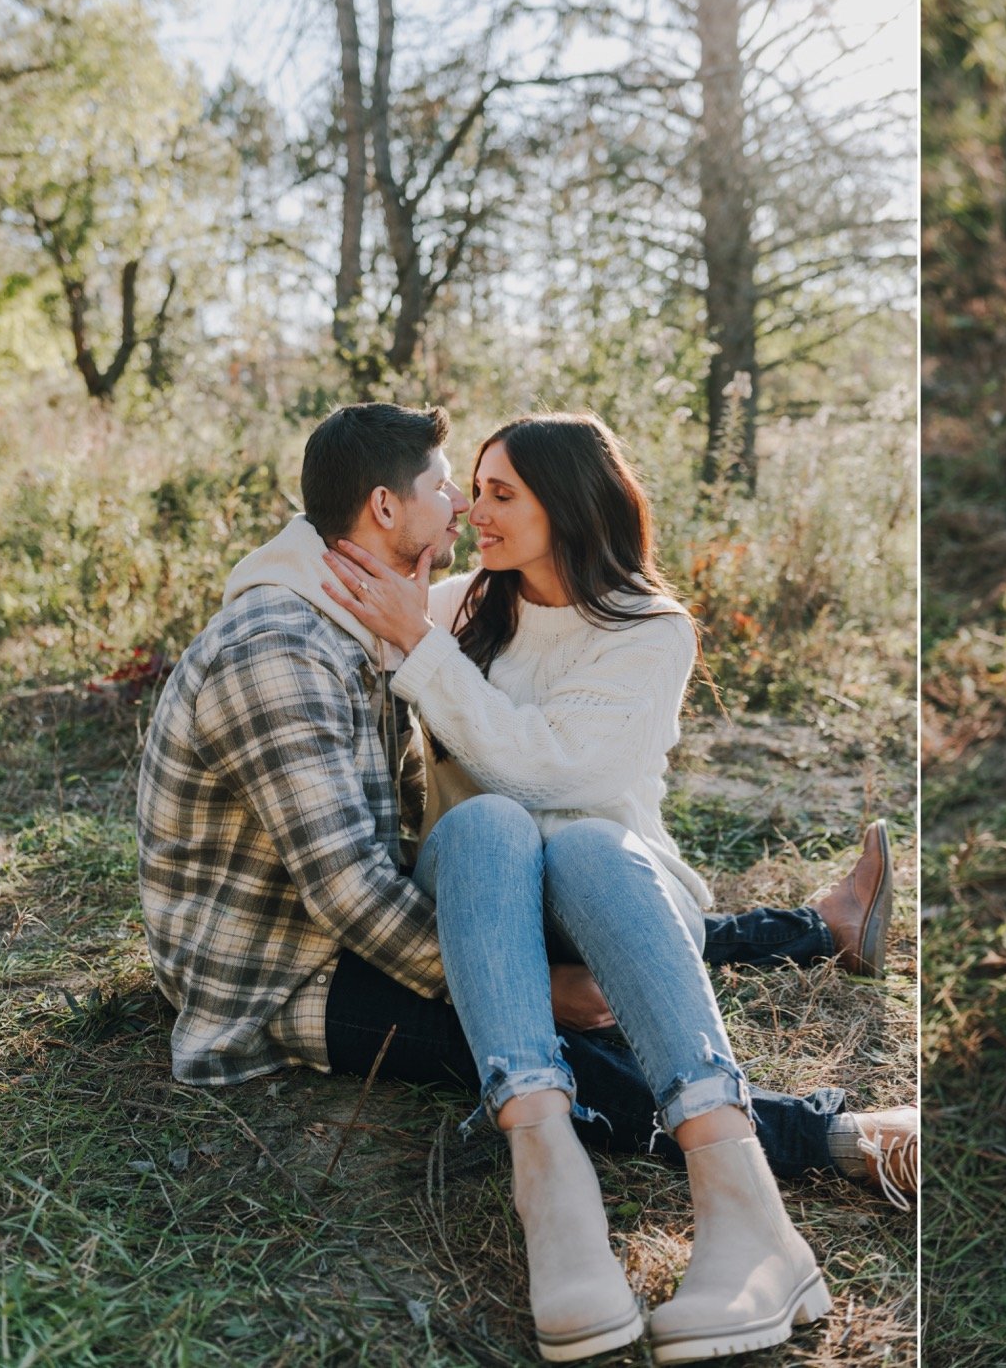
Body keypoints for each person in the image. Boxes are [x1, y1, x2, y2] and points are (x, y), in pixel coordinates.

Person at [137, 402, 915, 1364]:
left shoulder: (475, 612)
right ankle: (818, 1140)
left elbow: (550, 779)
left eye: (496, 492)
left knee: (577, 854)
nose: (464, 507)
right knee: (511, 987)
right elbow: (351, 896)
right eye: (451, 487)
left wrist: (416, 642)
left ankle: (745, 1187)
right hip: (281, 971)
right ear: (385, 508)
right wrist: (535, 982)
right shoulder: (308, 640)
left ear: (565, 507)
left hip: (541, 885)